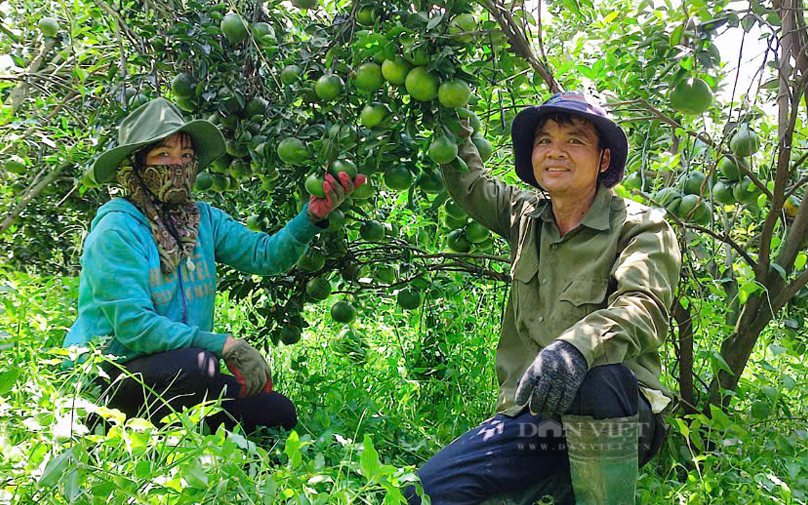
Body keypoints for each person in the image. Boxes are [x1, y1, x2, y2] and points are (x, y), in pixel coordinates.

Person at [404, 91, 681, 505]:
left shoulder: (641, 227)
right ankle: (547, 481)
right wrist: (449, 114)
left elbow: (644, 306)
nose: (556, 152)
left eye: (574, 141)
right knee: (418, 494)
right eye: (544, 140)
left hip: (620, 419)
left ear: (603, 160)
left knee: (600, 377)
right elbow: (469, 183)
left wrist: (575, 347)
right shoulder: (525, 216)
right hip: (537, 421)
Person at [64, 97, 364, 434]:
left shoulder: (201, 219)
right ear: (135, 165)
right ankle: (117, 431)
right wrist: (224, 345)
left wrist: (311, 218)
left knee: (277, 412)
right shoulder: (116, 230)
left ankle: (177, 430)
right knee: (199, 364)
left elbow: (264, 255)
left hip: (176, 373)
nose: (177, 166)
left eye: (186, 156)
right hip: (107, 378)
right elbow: (135, 327)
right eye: (163, 155)